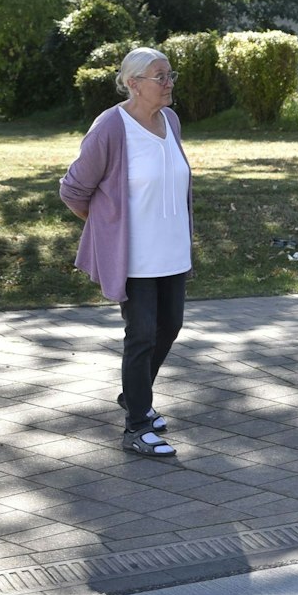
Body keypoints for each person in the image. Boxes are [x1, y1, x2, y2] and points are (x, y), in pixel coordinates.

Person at [59, 47, 193, 458]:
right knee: (142, 334)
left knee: (169, 327)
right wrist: (108, 228)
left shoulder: (170, 120)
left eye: (170, 75)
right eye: (160, 76)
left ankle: (134, 395)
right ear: (133, 83)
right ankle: (136, 426)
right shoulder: (111, 127)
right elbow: (73, 190)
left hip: (172, 248)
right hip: (136, 255)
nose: (169, 83)